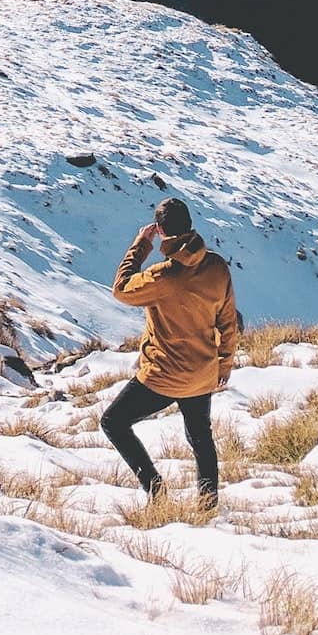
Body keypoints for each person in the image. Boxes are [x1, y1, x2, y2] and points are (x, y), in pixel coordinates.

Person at [101, 196, 239, 501]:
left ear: (161, 231)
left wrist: (140, 244)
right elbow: (229, 322)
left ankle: (155, 488)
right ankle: (208, 503)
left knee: (113, 422)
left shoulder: (163, 276)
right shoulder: (217, 266)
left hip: (164, 375)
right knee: (201, 437)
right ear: (190, 226)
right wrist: (224, 366)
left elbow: (121, 289)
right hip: (203, 372)